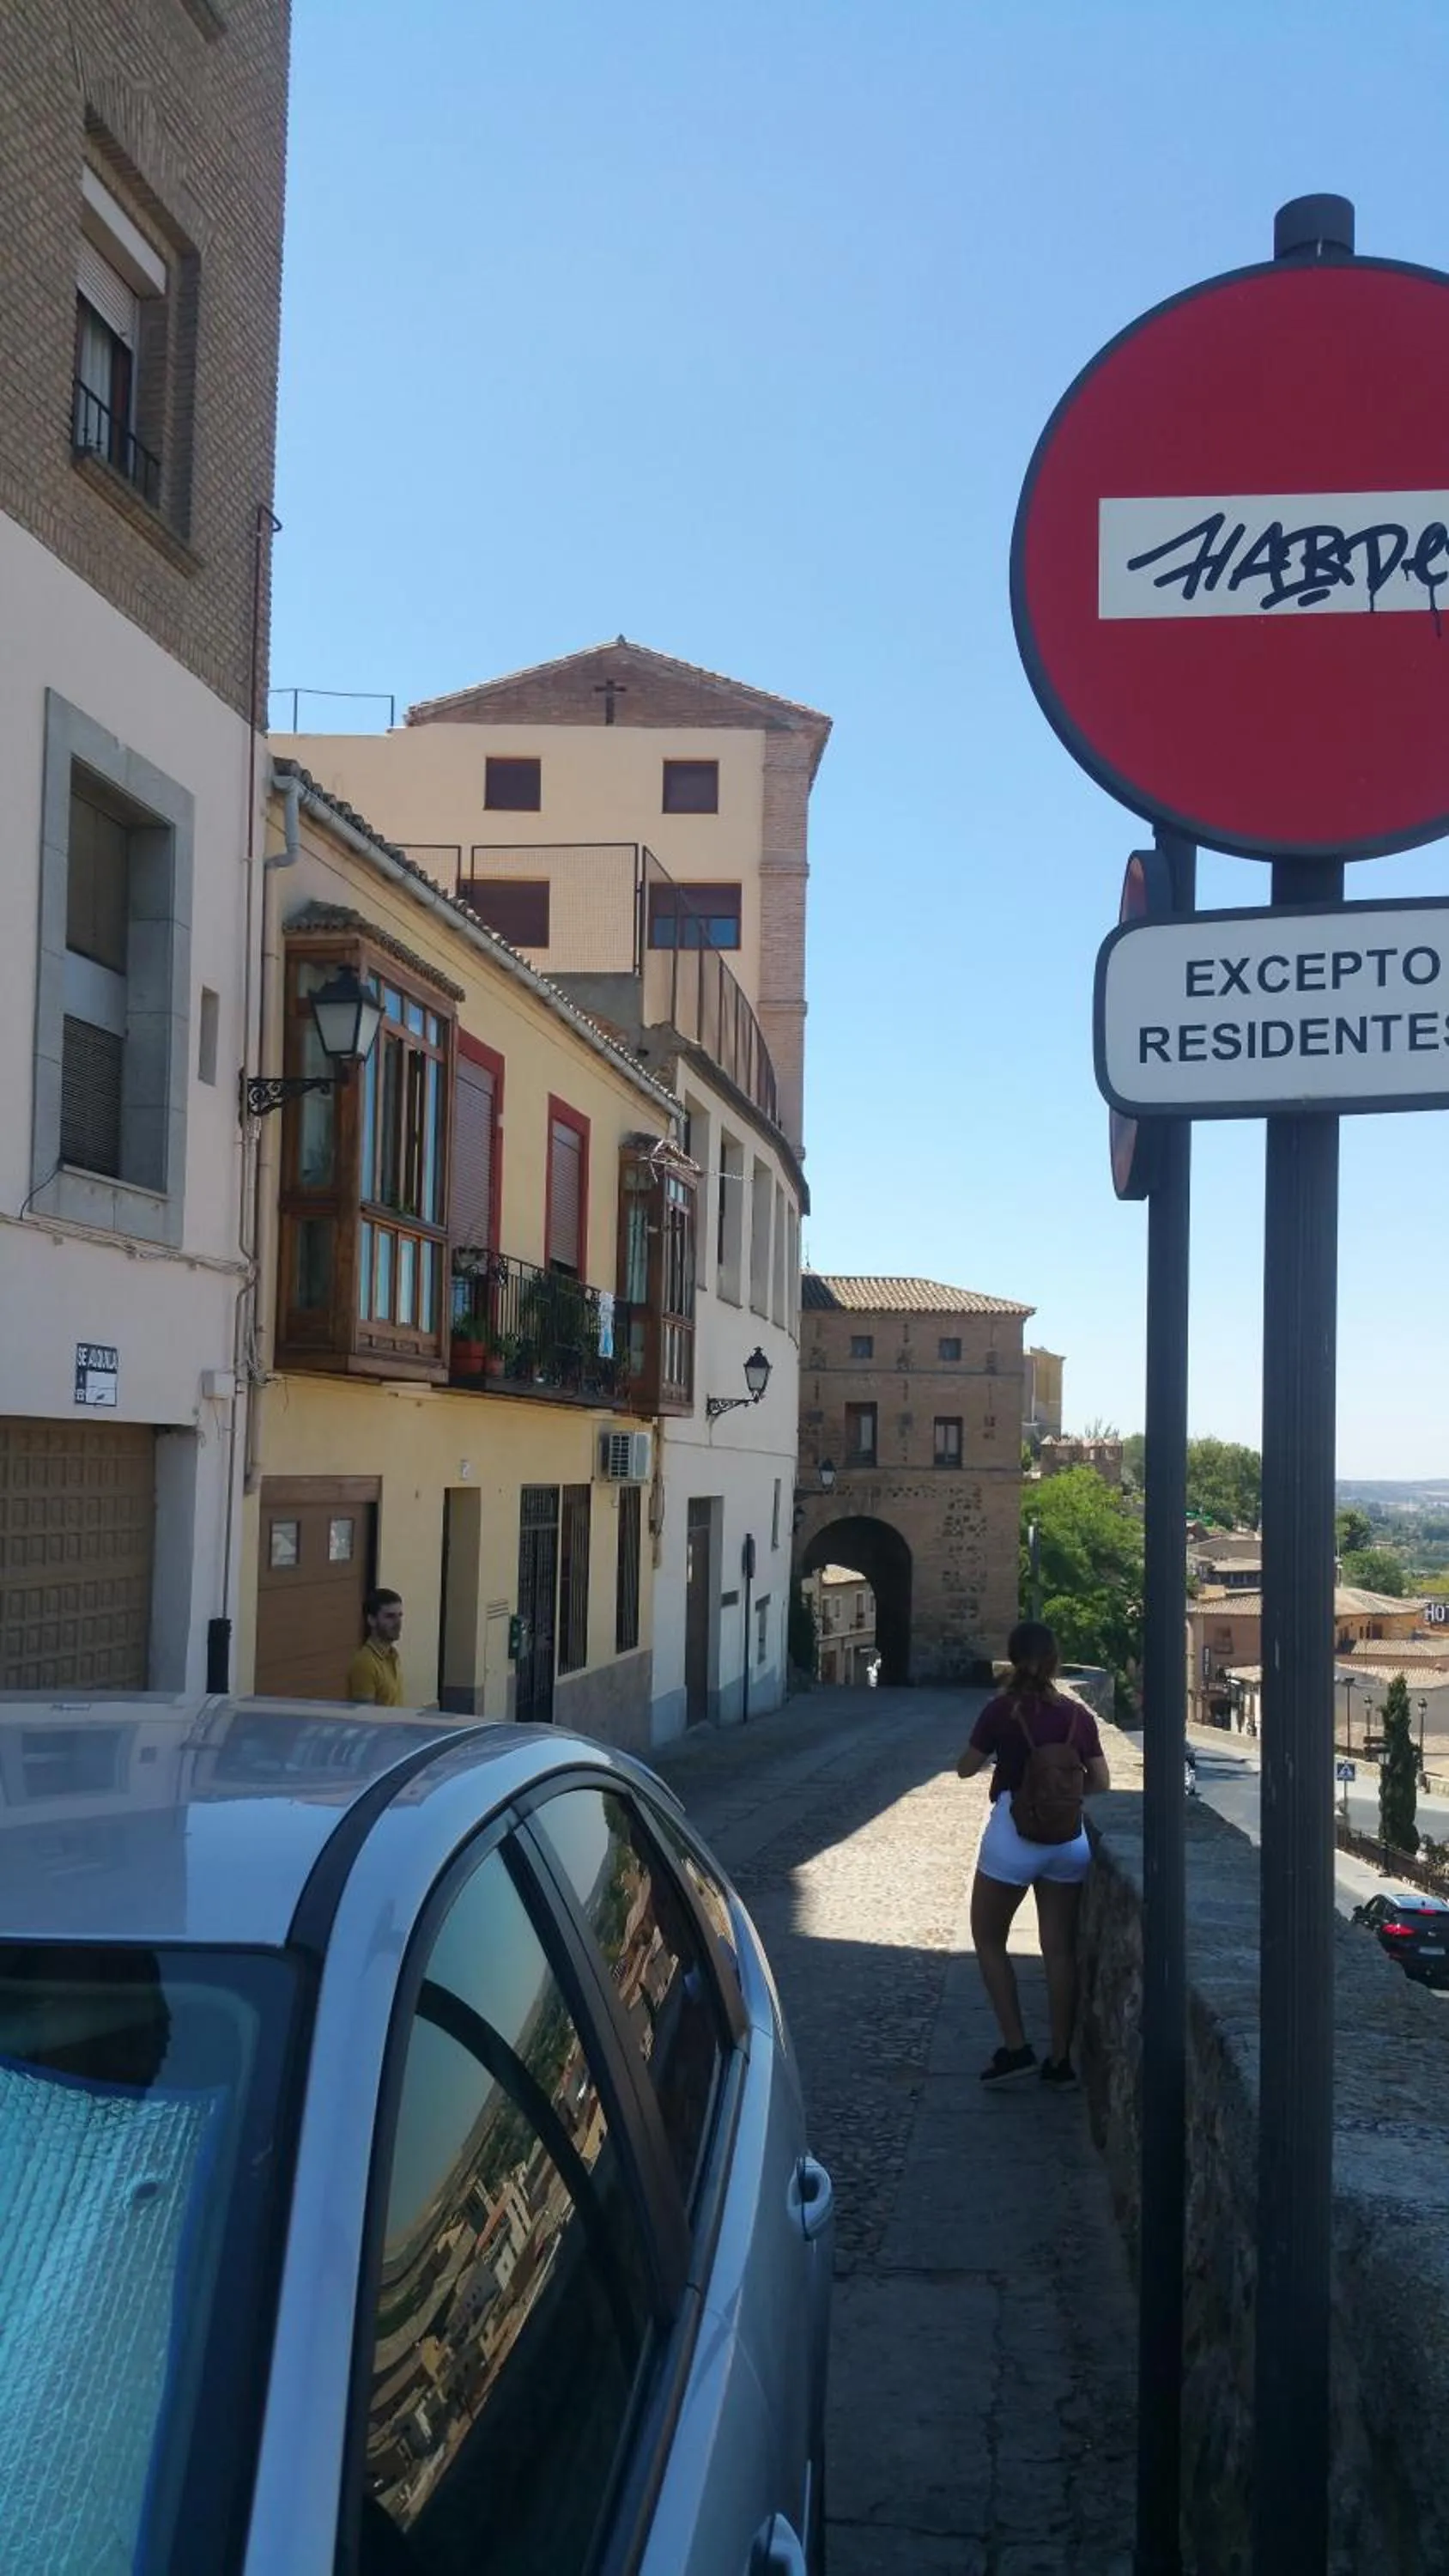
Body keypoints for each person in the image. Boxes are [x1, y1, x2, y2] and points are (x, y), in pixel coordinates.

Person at [955, 1619, 1111, 2090]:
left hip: (1013, 1839)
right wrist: (1060, 1793)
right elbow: (1101, 1781)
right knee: (1058, 1950)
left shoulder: (1000, 1710)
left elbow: (965, 1770)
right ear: (1055, 1660)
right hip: (1068, 1842)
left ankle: (1017, 2046)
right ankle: (1060, 2060)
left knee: (987, 1939)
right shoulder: (1077, 1717)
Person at [347, 1589, 405, 1706]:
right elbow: (365, 1716)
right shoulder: (365, 1663)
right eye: (390, 1617)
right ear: (372, 1620)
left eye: (400, 1615)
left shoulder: (393, 1656)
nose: (398, 1623)